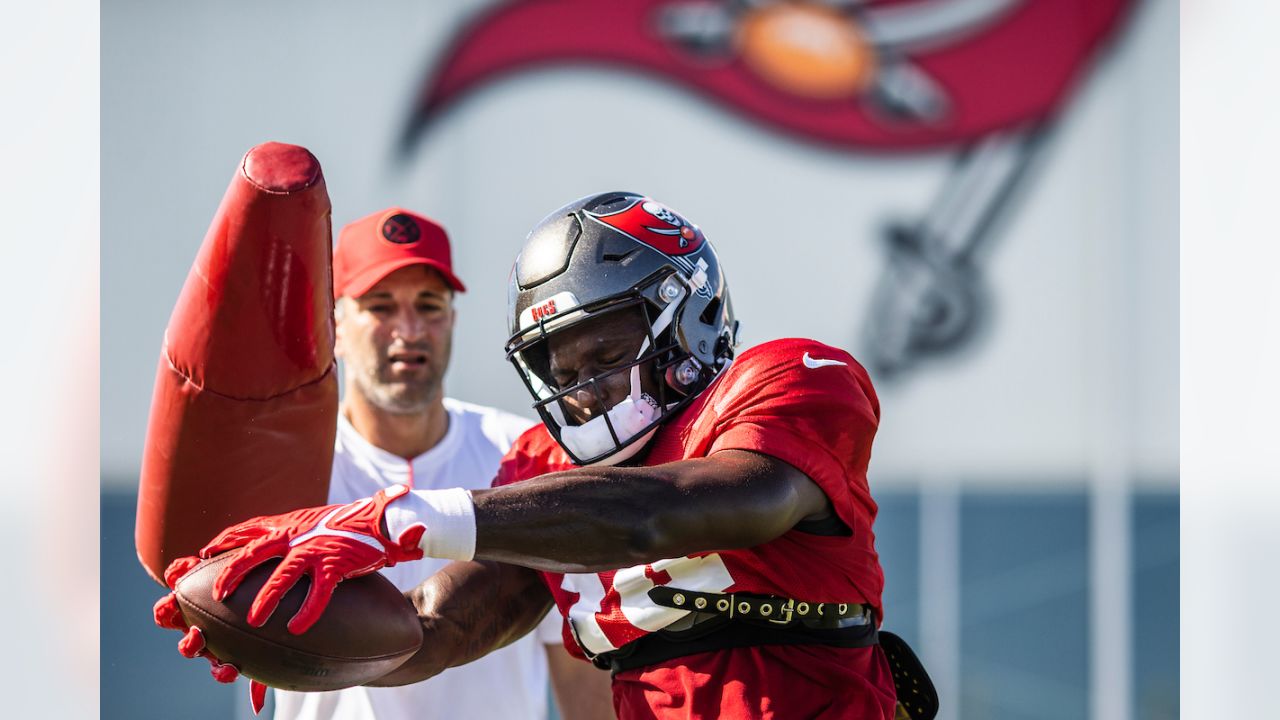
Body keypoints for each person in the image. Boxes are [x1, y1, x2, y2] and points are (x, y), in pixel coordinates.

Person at [159, 192, 914, 719]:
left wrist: (397, 520)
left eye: (606, 349)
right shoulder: (544, 465)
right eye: (558, 365)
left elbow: (666, 513)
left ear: (691, 320)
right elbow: (436, 630)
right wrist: (275, 629)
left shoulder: (786, 380)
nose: (581, 386)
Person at [155, 207, 614, 720]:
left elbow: (577, 664)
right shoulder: (289, 470)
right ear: (336, 327)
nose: (410, 329)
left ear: (453, 320)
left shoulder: (523, 453)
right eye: (380, 306)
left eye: (429, 305)